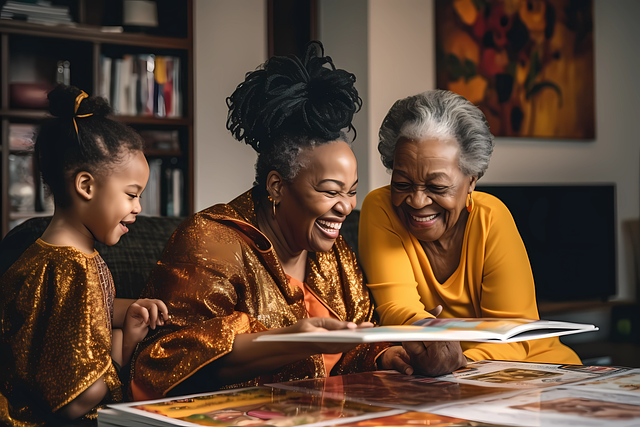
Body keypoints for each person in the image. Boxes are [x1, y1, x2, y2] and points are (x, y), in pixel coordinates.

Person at [130, 42, 437, 400]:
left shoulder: (334, 255)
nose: (346, 207)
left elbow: (352, 345)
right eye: (330, 191)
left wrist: (386, 354)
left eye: (351, 192)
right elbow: (163, 362)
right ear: (277, 186)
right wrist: (288, 342)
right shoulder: (211, 242)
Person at [359, 90, 581, 374]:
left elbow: (514, 333)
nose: (416, 201)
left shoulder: (491, 218)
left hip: (532, 368)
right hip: (439, 377)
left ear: (471, 181)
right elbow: (397, 308)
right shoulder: (381, 208)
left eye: (437, 187)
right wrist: (428, 337)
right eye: (402, 183)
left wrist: (461, 361)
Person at [0, 85, 169, 425]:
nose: (138, 209)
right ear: (86, 187)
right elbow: (73, 401)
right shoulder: (72, 268)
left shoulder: (43, 257)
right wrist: (120, 354)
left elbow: (84, 322)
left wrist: (128, 322)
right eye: (132, 194)